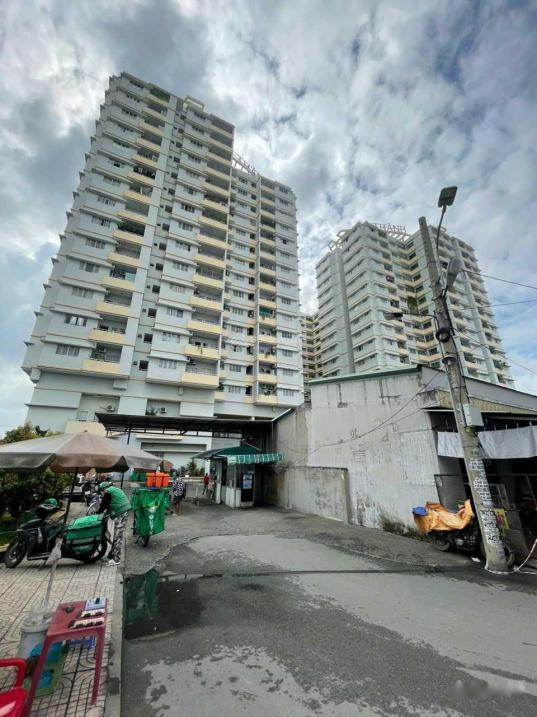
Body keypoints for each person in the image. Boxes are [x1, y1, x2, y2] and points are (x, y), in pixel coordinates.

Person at [97, 481, 131, 566]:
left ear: (103, 489)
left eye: (101, 491)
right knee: (116, 536)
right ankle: (111, 556)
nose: (101, 493)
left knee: (118, 536)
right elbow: (109, 506)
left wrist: (96, 514)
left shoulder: (108, 492)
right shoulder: (113, 489)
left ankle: (116, 559)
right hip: (123, 511)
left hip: (122, 513)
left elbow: (103, 506)